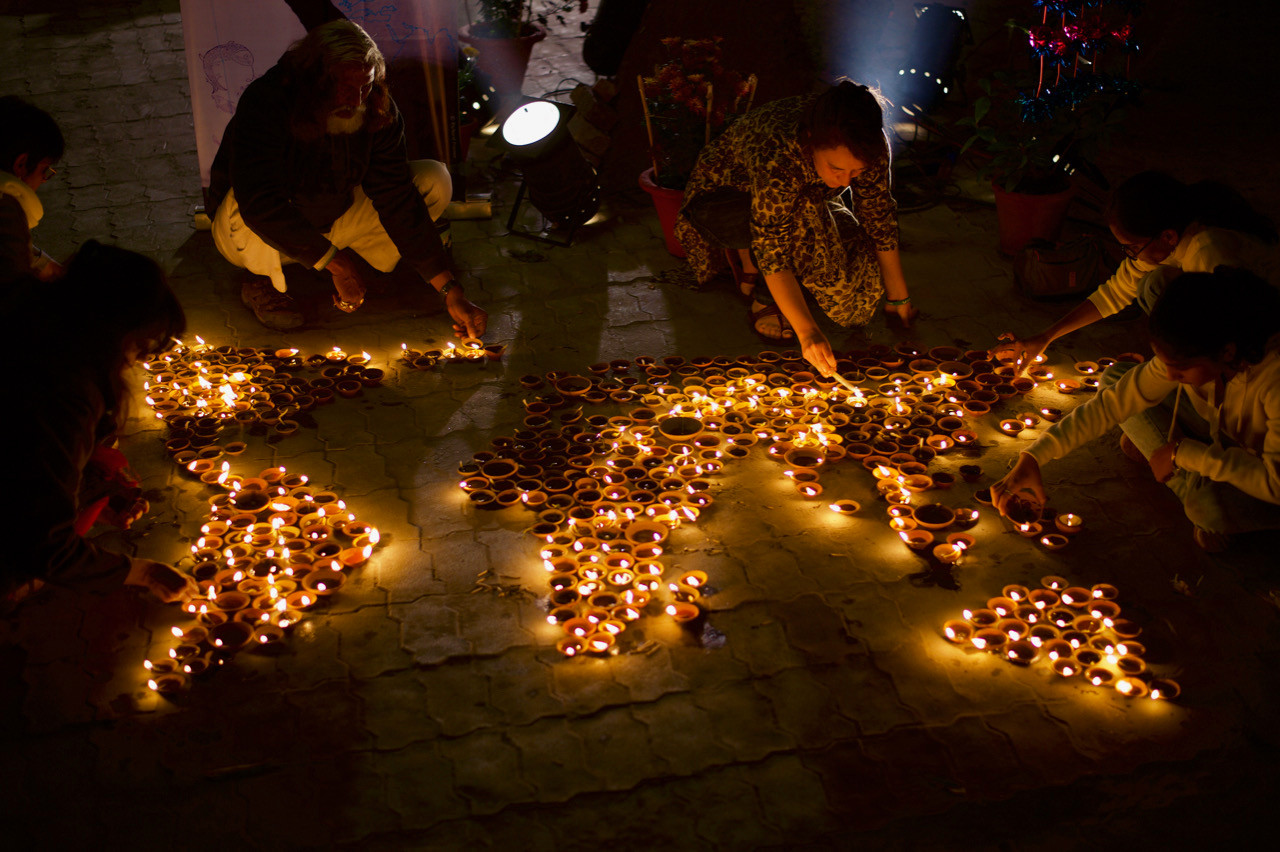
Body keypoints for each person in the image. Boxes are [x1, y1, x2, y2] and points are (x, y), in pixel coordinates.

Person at [208, 19, 487, 337]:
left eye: (364, 87)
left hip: (330, 215)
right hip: (248, 230)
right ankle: (262, 279)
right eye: (343, 87)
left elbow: (395, 196)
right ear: (315, 78)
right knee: (249, 201)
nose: (355, 101)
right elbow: (259, 203)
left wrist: (450, 290)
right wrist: (336, 263)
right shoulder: (268, 100)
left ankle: (341, 263)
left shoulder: (375, 106)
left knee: (433, 179)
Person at [992, 267, 1280, 553]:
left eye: (1180, 369)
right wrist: (1033, 457)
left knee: (1206, 508)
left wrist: (1183, 453)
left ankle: (1188, 483)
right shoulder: (1200, 354)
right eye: (1165, 364)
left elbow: (1276, 484)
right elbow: (1111, 405)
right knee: (1116, 379)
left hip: (1266, 470)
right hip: (1225, 431)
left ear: (1227, 352)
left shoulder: (1274, 380)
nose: (1169, 376)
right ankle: (1182, 469)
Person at [674, 80, 916, 377]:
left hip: (804, 201)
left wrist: (898, 296)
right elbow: (772, 248)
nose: (845, 182)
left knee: (857, 303)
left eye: (856, 172)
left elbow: (878, 215)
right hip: (723, 203)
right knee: (798, 230)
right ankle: (764, 295)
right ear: (811, 142)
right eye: (836, 169)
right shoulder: (778, 153)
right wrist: (808, 333)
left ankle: (793, 246)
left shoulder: (869, 143)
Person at [4, 241, 198, 605]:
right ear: (111, 333)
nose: (137, 361)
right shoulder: (63, 393)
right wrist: (141, 572)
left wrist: (91, 495)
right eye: (139, 346)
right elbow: (45, 546)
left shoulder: (27, 319)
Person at [995, 171, 1277, 369]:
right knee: (1153, 283)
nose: (1130, 256)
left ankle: (1194, 368)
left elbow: (1236, 326)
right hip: (1228, 327)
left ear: (1167, 236)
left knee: (1156, 287)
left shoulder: (1210, 253)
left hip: (1261, 337)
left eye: (1132, 247)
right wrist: (1045, 337)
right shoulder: (1171, 242)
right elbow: (1112, 295)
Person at [0, 95, 67, 287]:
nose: (43, 180)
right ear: (21, 164)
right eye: (44, 171)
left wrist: (46, 267)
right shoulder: (6, 213)